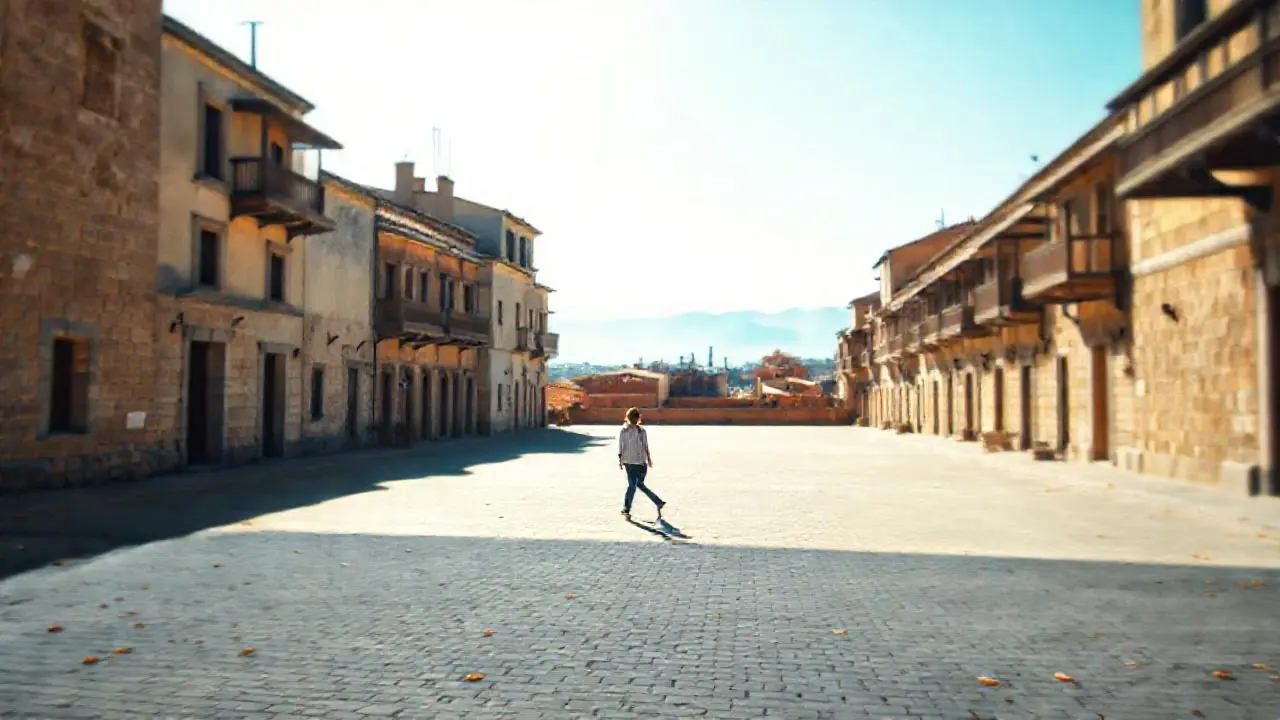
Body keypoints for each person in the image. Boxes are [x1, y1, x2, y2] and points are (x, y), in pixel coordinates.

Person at [618, 407, 664, 521]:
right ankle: (657, 502)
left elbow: (622, 447)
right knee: (637, 485)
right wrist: (649, 459)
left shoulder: (633, 431)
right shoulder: (633, 431)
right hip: (636, 463)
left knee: (634, 485)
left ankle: (627, 508)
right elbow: (644, 447)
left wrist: (620, 460)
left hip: (634, 463)